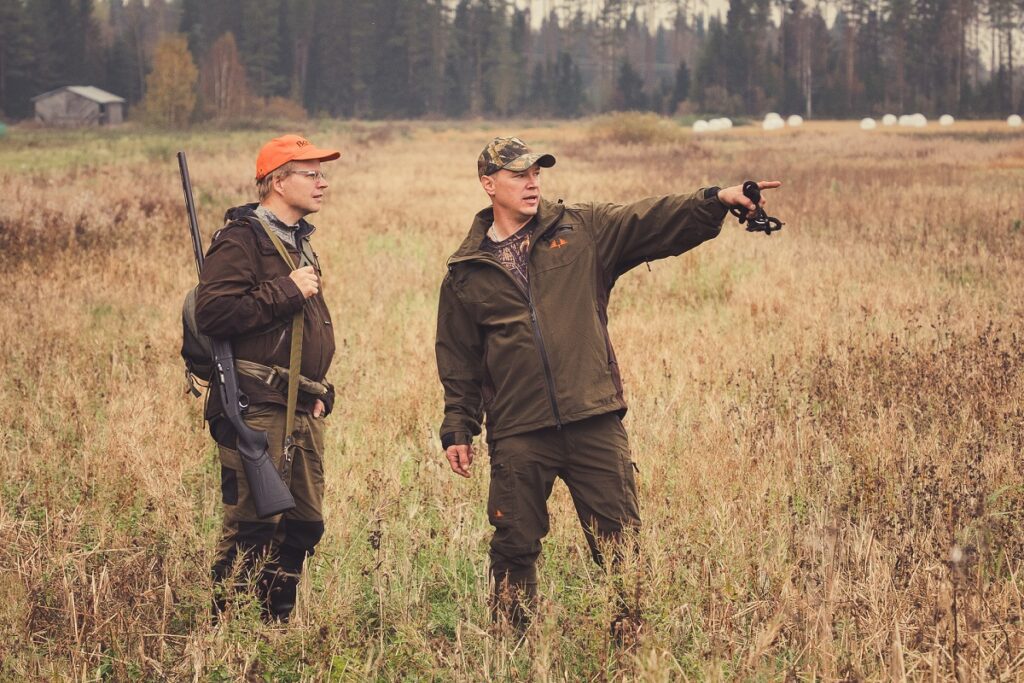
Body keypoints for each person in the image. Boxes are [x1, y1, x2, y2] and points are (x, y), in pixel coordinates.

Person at [434, 136, 781, 631]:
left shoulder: (582, 229)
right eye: (518, 175)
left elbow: (651, 219)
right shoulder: (466, 272)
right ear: (489, 184)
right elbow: (458, 358)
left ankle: (632, 648)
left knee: (621, 546)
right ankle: (509, 648)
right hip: (517, 429)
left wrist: (715, 200)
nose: (532, 183)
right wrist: (458, 427)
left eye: (537, 173)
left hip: (591, 418)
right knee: (513, 546)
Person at [196, 134, 339, 622]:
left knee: (303, 524)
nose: (323, 182)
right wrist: (286, 289)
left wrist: (318, 392)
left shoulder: (296, 241)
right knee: (255, 525)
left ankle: (273, 625)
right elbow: (212, 313)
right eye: (311, 172)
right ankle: (228, 634)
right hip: (256, 405)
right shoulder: (243, 240)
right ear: (277, 181)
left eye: (322, 173)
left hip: (299, 405)